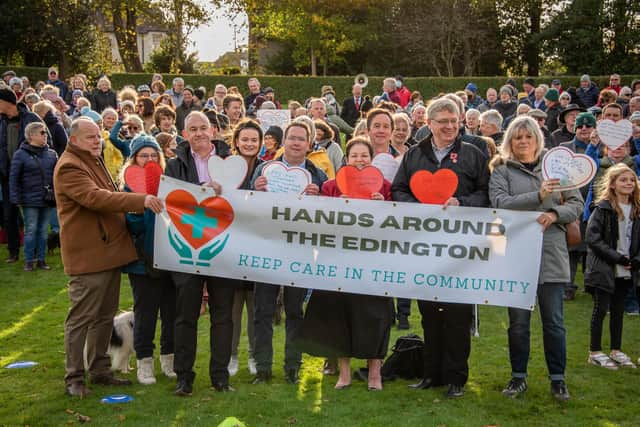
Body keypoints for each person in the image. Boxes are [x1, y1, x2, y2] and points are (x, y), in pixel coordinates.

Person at [55, 117, 163, 397]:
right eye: (90, 137)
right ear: (74, 139)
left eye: (97, 136)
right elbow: (97, 198)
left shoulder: (93, 159)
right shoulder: (69, 166)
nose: (97, 140)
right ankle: (74, 377)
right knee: (81, 319)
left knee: (104, 317)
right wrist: (141, 200)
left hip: (109, 252)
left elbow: (109, 196)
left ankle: (100, 370)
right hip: (89, 256)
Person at [392, 98, 489, 398]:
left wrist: (463, 202)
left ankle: (456, 377)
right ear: (429, 124)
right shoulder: (414, 155)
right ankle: (431, 374)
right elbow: (398, 189)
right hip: (425, 247)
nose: (449, 126)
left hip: (461, 248)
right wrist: (419, 208)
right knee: (429, 311)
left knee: (457, 314)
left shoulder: (474, 154)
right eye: (443, 121)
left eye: (454, 120)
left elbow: (487, 194)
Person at [489, 115, 583, 401]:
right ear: (510, 142)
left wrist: (555, 214)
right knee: (518, 322)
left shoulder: (556, 168)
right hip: (517, 254)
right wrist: (537, 196)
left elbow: (577, 204)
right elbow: (499, 204)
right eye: (517, 137)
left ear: (537, 139)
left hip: (551, 253)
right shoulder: (501, 170)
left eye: (528, 136)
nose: (523, 141)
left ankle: (558, 379)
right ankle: (518, 377)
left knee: (553, 321)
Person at [299, 137, 393, 391]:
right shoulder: (331, 186)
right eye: (355, 156)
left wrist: (384, 208)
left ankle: (375, 372)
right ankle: (344, 372)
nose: (360, 160)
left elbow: (399, 223)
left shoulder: (385, 187)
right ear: (346, 159)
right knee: (339, 315)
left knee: (376, 315)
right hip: (337, 262)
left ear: (372, 159)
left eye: (365, 155)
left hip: (374, 264)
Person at [250, 121, 328, 385]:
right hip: (267, 248)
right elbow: (248, 207)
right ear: (284, 141)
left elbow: (330, 212)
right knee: (263, 310)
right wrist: (255, 189)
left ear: (309, 143)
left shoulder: (317, 174)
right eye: (291, 138)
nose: (296, 143)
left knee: (295, 310)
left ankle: (292, 366)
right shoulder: (264, 169)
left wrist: (320, 196)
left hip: (300, 251)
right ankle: (262, 367)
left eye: (301, 139)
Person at [163, 111, 235, 396]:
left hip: (223, 247)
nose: (199, 133)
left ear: (213, 130)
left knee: (223, 316)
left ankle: (220, 377)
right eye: (192, 129)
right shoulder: (173, 165)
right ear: (184, 134)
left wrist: (224, 191)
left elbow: (247, 199)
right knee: (185, 315)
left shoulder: (232, 162)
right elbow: (170, 201)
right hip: (187, 248)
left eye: (203, 128)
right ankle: (184, 377)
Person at [118, 134, 177, 385]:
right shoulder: (128, 190)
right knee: (146, 313)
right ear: (134, 158)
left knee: (171, 312)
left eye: (154, 155)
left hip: (171, 260)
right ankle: (144, 363)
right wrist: (146, 206)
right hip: (142, 262)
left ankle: (168, 360)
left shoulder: (171, 184)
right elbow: (132, 225)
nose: (150, 159)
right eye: (144, 155)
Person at [585, 163, 640, 370]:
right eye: (623, 180)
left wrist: (636, 260)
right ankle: (595, 351)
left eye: (631, 180)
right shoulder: (603, 208)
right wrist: (616, 257)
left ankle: (616, 349)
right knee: (601, 309)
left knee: (618, 310)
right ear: (613, 184)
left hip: (628, 268)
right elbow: (592, 238)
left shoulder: (637, 209)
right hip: (605, 266)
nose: (628, 183)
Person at [227, 119, 264, 377]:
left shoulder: (268, 170)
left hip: (260, 247)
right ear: (236, 141)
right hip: (229, 247)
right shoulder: (225, 169)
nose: (249, 144)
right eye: (245, 139)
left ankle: (254, 355)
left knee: (256, 309)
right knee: (230, 309)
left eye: (254, 140)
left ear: (261, 143)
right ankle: (230, 356)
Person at [0, 88, 43, 264]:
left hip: (29, 175)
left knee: (33, 217)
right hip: (7, 175)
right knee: (9, 215)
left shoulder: (31, 118)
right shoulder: (1, 121)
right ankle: (13, 251)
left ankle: (35, 252)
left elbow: (46, 143)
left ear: (8, 102)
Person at [9, 122, 58, 271]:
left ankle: (41, 260)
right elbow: (14, 178)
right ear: (31, 135)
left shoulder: (51, 154)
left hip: (47, 199)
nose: (45, 135)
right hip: (29, 199)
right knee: (31, 229)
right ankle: (29, 260)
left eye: (45, 133)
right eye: (42, 133)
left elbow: (57, 177)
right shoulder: (20, 154)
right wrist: (15, 198)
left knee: (43, 231)